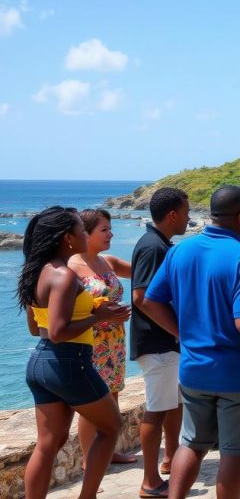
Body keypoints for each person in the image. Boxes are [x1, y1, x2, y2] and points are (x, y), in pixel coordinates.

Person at [140, 186, 240, 499]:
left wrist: (182, 333)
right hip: (238, 374)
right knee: (233, 451)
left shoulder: (179, 251)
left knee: (191, 443)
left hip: (193, 371)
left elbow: (150, 301)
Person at [20, 207, 131, 499]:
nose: (85, 234)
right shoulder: (64, 276)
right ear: (68, 238)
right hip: (69, 362)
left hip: (40, 363)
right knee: (111, 426)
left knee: (49, 443)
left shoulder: (36, 273)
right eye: (82, 230)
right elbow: (58, 331)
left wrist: (91, 310)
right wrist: (99, 315)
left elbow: (37, 329)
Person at [131, 188, 189, 498]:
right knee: (156, 410)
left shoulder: (159, 244)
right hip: (158, 343)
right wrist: (177, 330)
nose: (189, 218)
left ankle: (170, 458)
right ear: (172, 215)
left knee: (173, 404)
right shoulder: (154, 247)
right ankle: (150, 481)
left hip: (165, 342)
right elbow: (141, 297)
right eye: (186, 212)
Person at [69, 209, 137, 470]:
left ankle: (109, 449)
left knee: (114, 394)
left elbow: (146, 271)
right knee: (92, 402)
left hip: (116, 340)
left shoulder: (108, 261)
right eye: (104, 229)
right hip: (90, 342)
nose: (111, 233)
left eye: (110, 228)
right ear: (85, 233)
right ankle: (88, 459)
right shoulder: (72, 268)